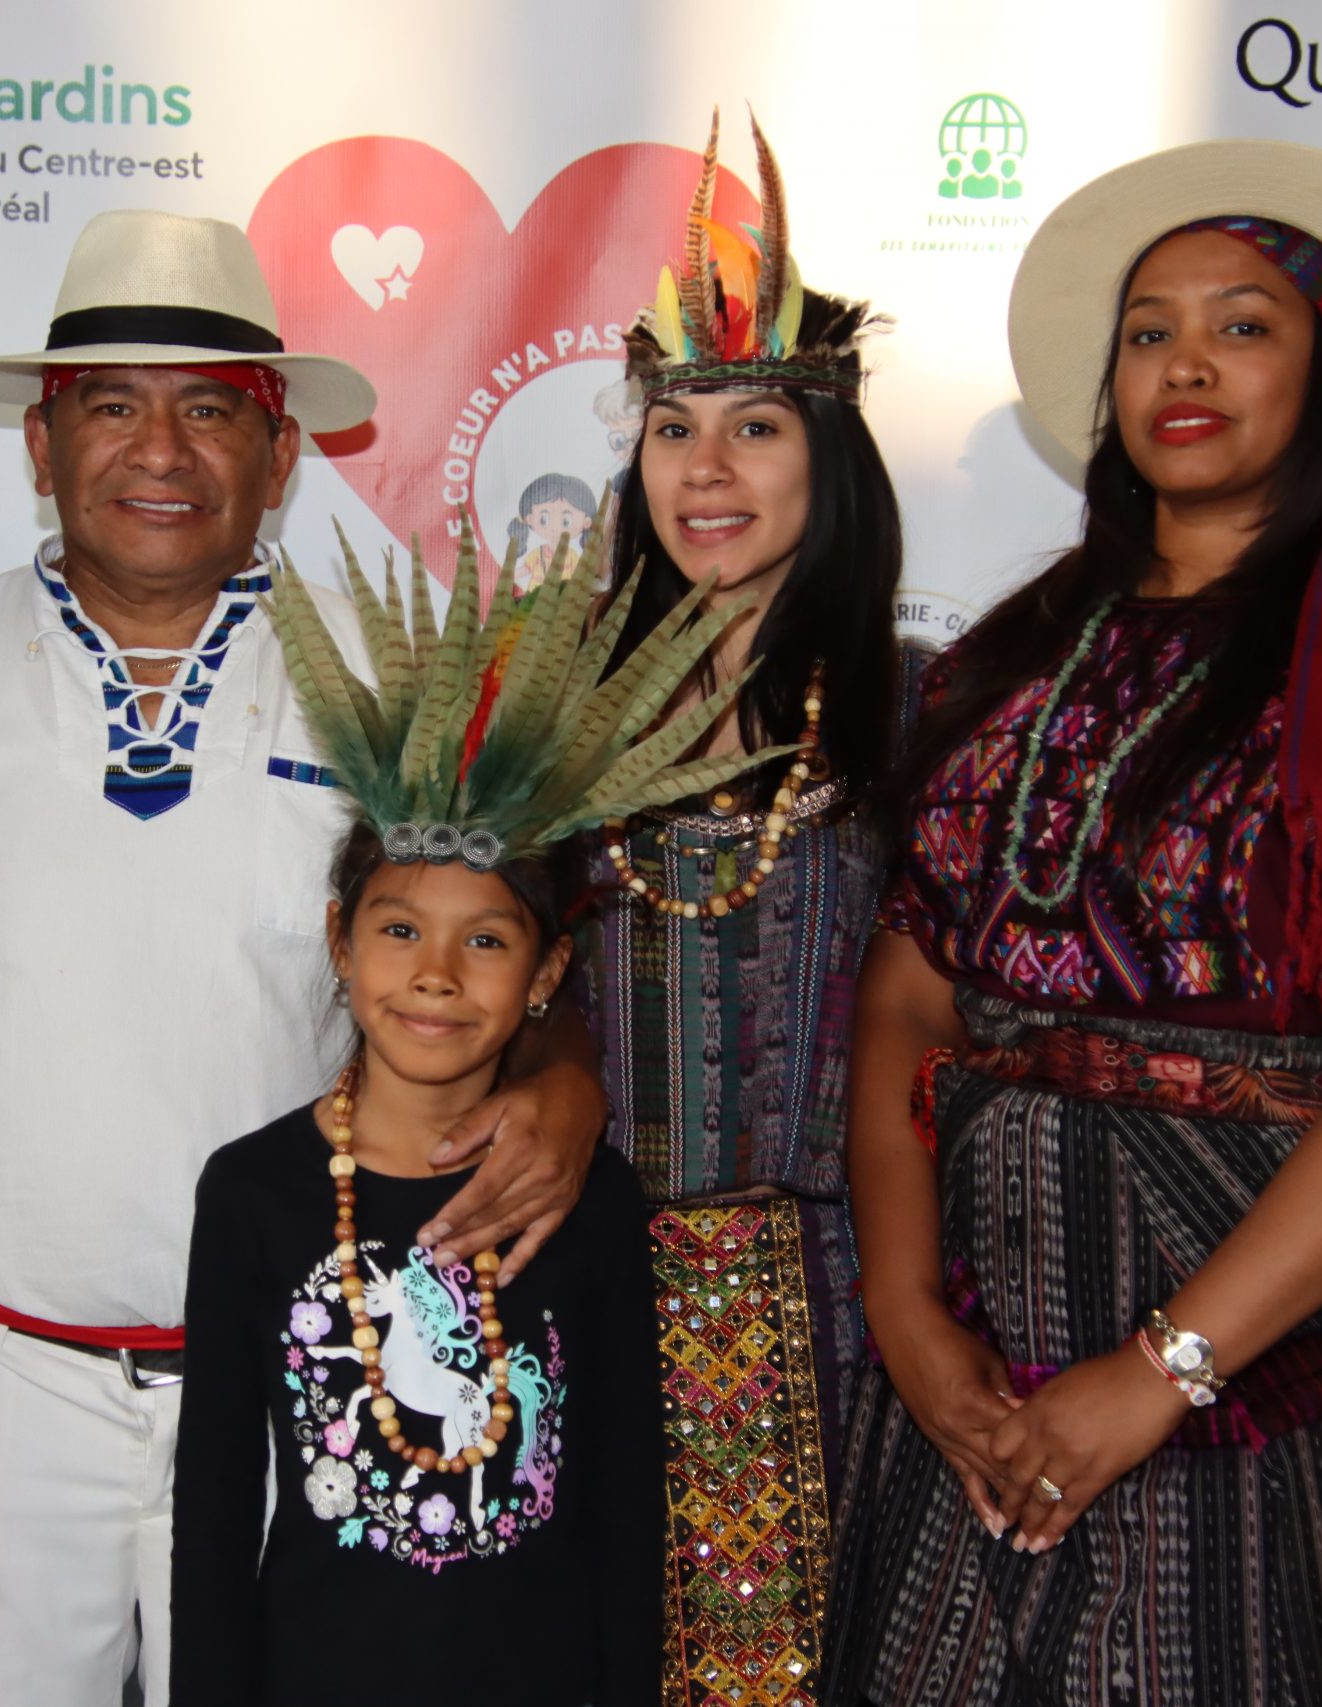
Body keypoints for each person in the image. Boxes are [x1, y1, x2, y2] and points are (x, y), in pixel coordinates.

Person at [0, 209, 611, 1705]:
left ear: (281, 451)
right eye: (111, 406)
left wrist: (570, 1078)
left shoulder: (395, 690)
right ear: (41, 443)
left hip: (314, 1360)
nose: (160, 451)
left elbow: (524, 959)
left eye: (209, 410)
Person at [829, 139, 1322, 1702]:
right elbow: (904, 1001)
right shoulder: (997, 668)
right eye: (1149, 330)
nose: (1186, 362)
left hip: (1274, 1336)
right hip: (990, 1317)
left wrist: (1166, 1368)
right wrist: (905, 1307)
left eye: (1243, 325)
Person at [171, 546, 762, 1703]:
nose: (435, 973)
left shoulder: (589, 1197)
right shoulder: (251, 1192)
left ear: (546, 975)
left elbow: (624, 1502)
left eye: (485, 941)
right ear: (340, 942)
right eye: (399, 931)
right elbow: (215, 1514)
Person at [564, 112, 904, 1700]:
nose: (703, 469)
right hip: (576, 1285)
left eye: (755, 426)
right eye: (670, 426)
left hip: (839, 1313)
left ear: (829, 460)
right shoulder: (548, 711)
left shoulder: (920, 715)